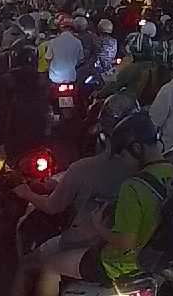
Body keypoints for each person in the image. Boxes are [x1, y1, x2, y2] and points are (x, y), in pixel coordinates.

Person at [27, 112, 173, 296]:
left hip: (121, 264)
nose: (122, 162)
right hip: (158, 259)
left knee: (50, 266)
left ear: (137, 148)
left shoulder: (134, 186)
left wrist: (99, 226)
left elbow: (126, 242)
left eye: (122, 155)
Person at [10, 96, 141, 295]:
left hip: (88, 245)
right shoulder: (152, 168)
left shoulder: (83, 169)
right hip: (134, 252)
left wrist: (26, 193)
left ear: (102, 133)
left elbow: (52, 207)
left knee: (28, 267)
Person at [99, 22, 164, 105]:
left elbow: (114, 84)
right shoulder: (156, 65)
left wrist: (99, 94)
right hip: (149, 103)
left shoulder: (133, 68)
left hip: (130, 103)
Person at [46, 13, 84, 86]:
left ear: (60, 28)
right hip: (71, 77)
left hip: (55, 78)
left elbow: (48, 58)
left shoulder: (53, 42)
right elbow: (81, 59)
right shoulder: (78, 42)